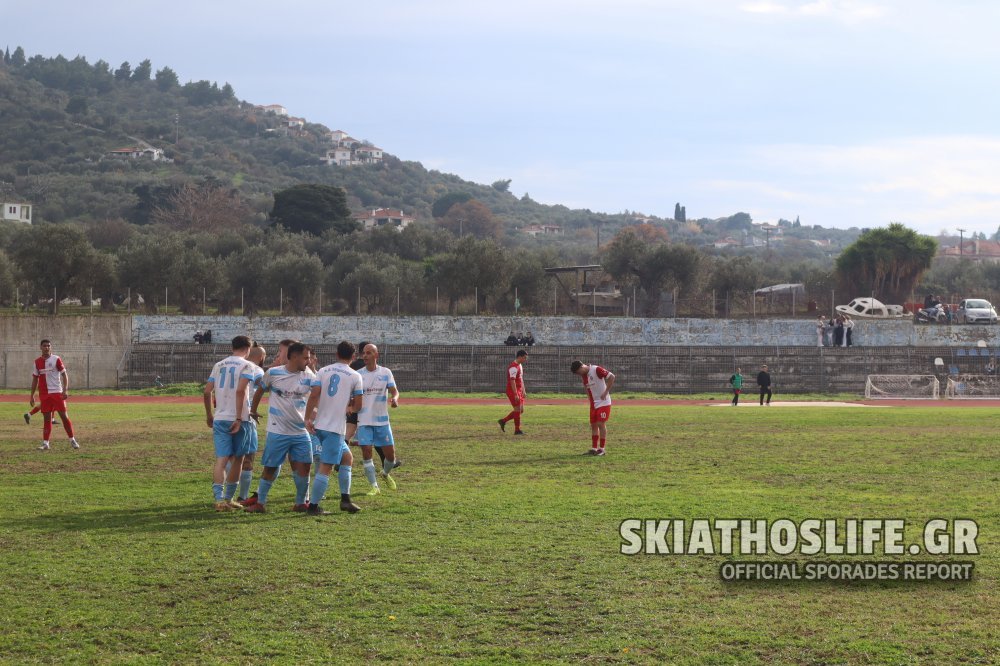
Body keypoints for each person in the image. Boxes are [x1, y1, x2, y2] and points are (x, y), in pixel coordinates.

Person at [244, 342, 317, 513]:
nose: (308, 361)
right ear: (294, 357)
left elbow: (318, 396)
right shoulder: (274, 373)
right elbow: (260, 390)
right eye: (305, 357)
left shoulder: (310, 377)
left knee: (305, 466)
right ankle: (260, 503)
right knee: (271, 466)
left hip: (300, 431)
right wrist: (253, 410)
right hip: (278, 431)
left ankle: (300, 503)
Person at [303, 340, 364, 514]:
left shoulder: (323, 371)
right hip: (335, 428)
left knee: (347, 458)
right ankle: (313, 507)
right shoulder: (355, 376)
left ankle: (345, 500)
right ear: (353, 356)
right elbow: (358, 405)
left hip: (321, 425)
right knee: (326, 466)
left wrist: (307, 418)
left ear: (336, 354)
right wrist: (349, 407)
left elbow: (314, 395)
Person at [203, 335, 257, 511]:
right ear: (248, 349)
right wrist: (239, 418)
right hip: (239, 419)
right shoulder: (247, 365)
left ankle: (219, 499)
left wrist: (209, 415)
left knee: (222, 459)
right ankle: (229, 498)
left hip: (220, 417)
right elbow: (241, 390)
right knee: (239, 458)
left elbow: (206, 391)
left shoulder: (219, 365)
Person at [356, 344, 400, 495]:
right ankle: (374, 486)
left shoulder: (386, 372)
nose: (365, 356)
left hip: (382, 421)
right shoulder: (358, 375)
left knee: (391, 457)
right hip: (364, 420)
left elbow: (395, 391)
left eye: (369, 353)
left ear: (376, 355)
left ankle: (385, 474)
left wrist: (394, 399)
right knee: (367, 452)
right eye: (363, 353)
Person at [30, 339, 80, 451]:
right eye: (44, 346)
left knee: (64, 417)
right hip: (44, 394)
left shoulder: (56, 359)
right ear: (40, 347)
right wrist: (32, 395)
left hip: (57, 393)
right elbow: (35, 379)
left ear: (50, 347)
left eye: (48, 346)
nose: (46, 347)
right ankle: (45, 443)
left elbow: (64, 375)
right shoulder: (37, 362)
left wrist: (65, 390)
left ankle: (72, 440)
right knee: (47, 419)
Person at [234, 344, 267, 504]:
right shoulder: (258, 370)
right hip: (246, 417)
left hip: (227, 415)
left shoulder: (233, 366)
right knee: (248, 457)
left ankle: (226, 495)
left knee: (229, 457)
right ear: (261, 357)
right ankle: (243, 496)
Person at [570, 360, 615, 456]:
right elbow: (586, 386)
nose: (579, 375)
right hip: (594, 404)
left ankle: (602, 449)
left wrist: (605, 392)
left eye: (578, 372)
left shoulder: (596, 369)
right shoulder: (584, 375)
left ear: (581, 367)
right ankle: (594, 449)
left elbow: (612, 377)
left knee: (600, 423)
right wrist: (589, 398)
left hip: (604, 402)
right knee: (593, 425)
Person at [498, 350, 528, 434]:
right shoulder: (513, 367)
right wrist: (515, 394)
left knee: (521, 410)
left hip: (519, 390)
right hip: (512, 390)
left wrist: (523, 390)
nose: (525, 359)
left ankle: (503, 421)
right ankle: (517, 430)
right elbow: (512, 381)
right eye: (524, 358)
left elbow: (521, 379)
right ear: (520, 357)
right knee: (517, 409)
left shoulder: (520, 365)